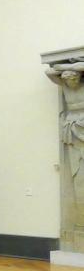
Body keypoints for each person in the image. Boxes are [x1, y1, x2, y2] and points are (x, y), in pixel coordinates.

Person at [47, 61, 84, 225]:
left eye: (73, 80)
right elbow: (49, 72)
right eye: (67, 80)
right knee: (76, 169)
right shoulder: (65, 86)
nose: (70, 83)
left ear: (78, 78)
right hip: (71, 126)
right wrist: (65, 70)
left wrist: (69, 67)